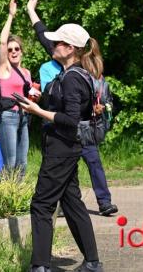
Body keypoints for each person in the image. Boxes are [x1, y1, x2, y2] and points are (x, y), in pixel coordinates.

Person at [19, 0, 104, 272]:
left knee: (42, 204)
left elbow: (69, 120)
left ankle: (40, 266)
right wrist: (32, 11)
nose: (52, 45)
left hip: (62, 147)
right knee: (71, 201)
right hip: (62, 147)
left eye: (58, 43)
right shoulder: (67, 68)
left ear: (70, 49)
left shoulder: (73, 80)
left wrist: (36, 111)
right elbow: (44, 36)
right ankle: (92, 263)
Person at [39, 57, 118, 217]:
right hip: (65, 132)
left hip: (85, 131)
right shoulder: (62, 75)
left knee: (94, 163)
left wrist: (99, 110)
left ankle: (105, 202)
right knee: (65, 170)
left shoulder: (93, 81)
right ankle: (62, 205)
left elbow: (108, 103)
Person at [0, 0, 38, 178]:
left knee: (22, 162)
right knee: (10, 161)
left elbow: (29, 97)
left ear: (22, 51)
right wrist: (11, 15)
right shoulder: (4, 68)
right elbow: (2, 42)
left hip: (24, 117)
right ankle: (5, 198)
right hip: (8, 117)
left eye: (16, 49)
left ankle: (17, 197)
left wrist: (36, 96)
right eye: (10, 49)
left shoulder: (26, 73)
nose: (13, 52)